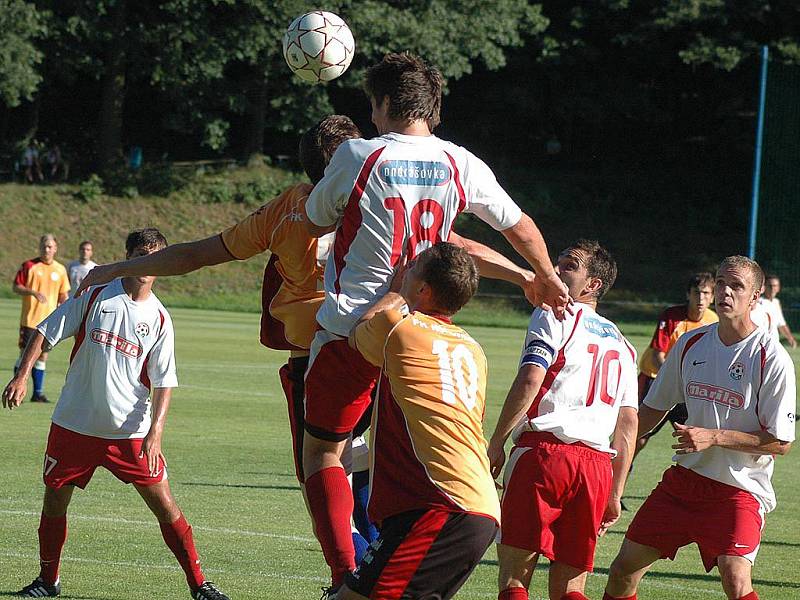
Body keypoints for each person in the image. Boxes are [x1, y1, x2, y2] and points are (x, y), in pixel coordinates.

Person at [74, 116, 536, 560]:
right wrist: (526, 276)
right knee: (386, 466)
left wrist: (120, 268)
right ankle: (381, 559)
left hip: (323, 354)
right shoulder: (386, 188)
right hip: (401, 341)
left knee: (322, 467)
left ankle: (349, 571)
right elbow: (460, 246)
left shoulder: (289, 210)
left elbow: (199, 253)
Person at [302, 52, 570, 593]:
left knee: (323, 454)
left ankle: (345, 575)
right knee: (413, 467)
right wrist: (540, 275)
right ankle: (391, 561)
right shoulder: (458, 162)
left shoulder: (359, 154)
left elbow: (314, 217)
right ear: (434, 110)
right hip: (422, 334)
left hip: (357, 330)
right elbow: (516, 226)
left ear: (381, 105)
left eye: (374, 106)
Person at [2, 228, 230, 600]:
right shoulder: (93, 295)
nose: (147, 263)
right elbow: (45, 332)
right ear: (129, 256)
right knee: (54, 499)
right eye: (141, 254)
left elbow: (164, 381)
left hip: (131, 433)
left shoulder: (159, 318)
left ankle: (199, 584)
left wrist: (156, 433)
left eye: (156, 256)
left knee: (165, 506)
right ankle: (47, 581)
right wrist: (22, 375)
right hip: (74, 424)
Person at [603, 255, 795, 600]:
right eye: (721, 282)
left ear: (755, 296)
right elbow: (650, 412)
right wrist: (606, 455)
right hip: (684, 483)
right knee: (621, 572)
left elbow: (780, 443)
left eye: (736, 286)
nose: (725, 291)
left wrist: (714, 437)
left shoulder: (771, 357)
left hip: (739, 490)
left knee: (736, 581)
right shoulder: (692, 344)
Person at [333, 242, 500, 600]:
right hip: (473, 505)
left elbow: (355, 335)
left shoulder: (396, 326)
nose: (404, 271)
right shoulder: (473, 349)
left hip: (439, 505)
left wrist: (392, 294)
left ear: (423, 290)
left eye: (412, 268)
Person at [487, 240, 639, 600]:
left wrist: (495, 443)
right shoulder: (623, 342)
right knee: (572, 587)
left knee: (514, 578)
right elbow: (628, 423)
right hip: (597, 469)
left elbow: (530, 379)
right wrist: (615, 492)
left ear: (592, 285)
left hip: (545, 456)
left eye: (568, 266)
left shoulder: (554, 313)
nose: (554, 271)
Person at [633, 272, 718, 459]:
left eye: (706, 293)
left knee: (693, 436)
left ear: (712, 297)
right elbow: (657, 355)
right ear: (688, 294)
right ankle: (616, 474)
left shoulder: (714, 321)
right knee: (638, 437)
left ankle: (692, 479)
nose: (701, 298)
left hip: (687, 388)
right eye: (696, 292)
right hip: (654, 380)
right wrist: (677, 381)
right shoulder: (671, 316)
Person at [12, 234, 70, 403]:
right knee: (25, 356)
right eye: (44, 246)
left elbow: (63, 296)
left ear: (55, 249)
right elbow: (16, 287)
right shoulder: (29, 266)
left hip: (49, 322)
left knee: (43, 356)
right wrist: (32, 292)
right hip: (30, 320)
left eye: (50, 246)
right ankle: (16, 389)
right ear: (39, 247)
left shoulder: (60, 270)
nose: (47, 249)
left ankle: (37, 393)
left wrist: (64, 310)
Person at [752, 274, 797, 348]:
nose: (772, 288)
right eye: (770, 285)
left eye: (775, 285)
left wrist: (790, 338)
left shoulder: (776, 302)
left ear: (778, 288)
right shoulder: (758, 302)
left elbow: (781, 323)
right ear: (764, 287)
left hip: (774, 343)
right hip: (761, 344)